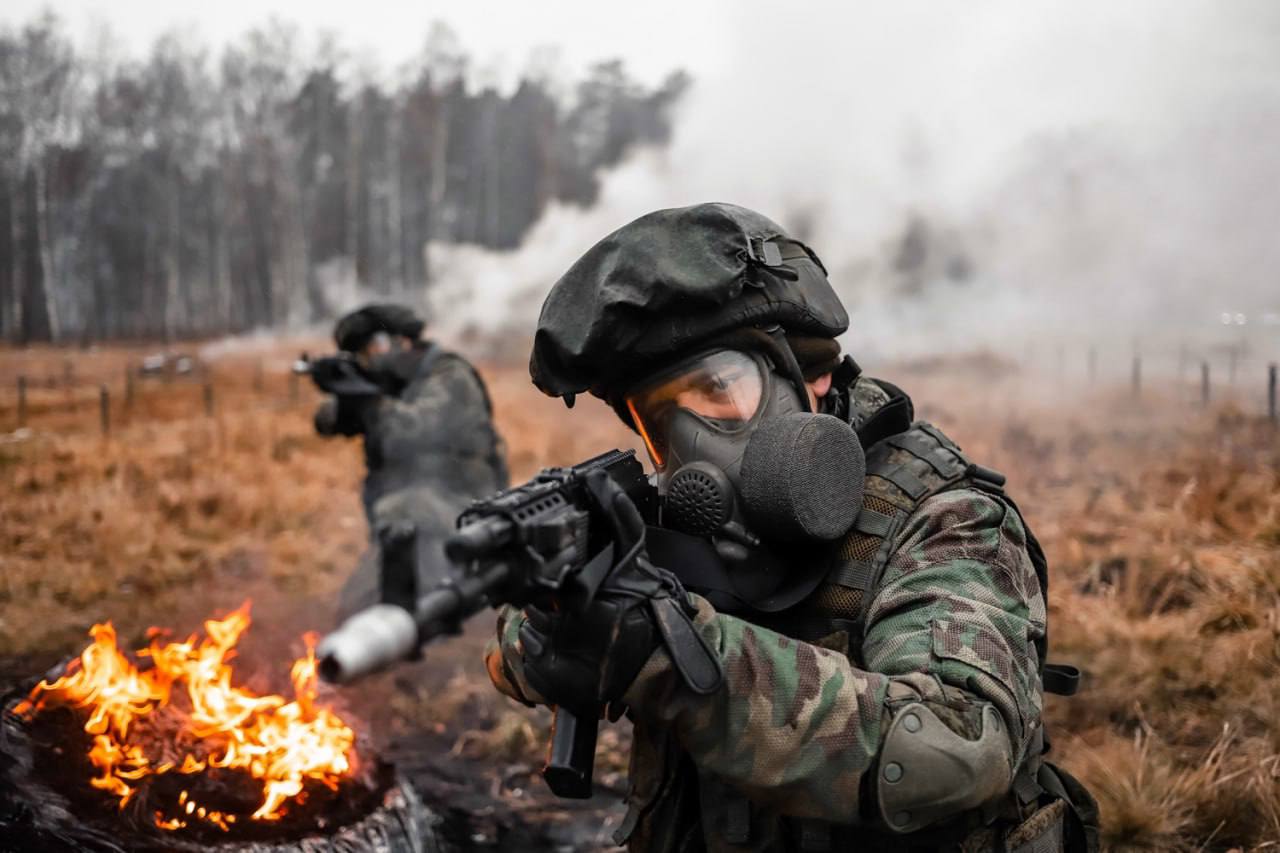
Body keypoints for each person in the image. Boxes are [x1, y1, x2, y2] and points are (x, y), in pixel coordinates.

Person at [485, 204, 1099, 851]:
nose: (692, 441)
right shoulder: (671, 520)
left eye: (718, 388)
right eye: (660, 416)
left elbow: (956, 749)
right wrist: (563, 625)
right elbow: (520, 647)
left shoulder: (945, 517)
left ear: (813, 372)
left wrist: (672, 656)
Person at [311, 303, 508, 619]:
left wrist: (367, 398)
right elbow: (326, 421)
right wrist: (346, 391)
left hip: (460, 507)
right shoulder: (391, 381)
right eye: (361, 355)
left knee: (376, 606)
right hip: (413, 513)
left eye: (373, 349)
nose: (369, 360)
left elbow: (413, 430)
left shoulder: (449, 374)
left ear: (403, 341)